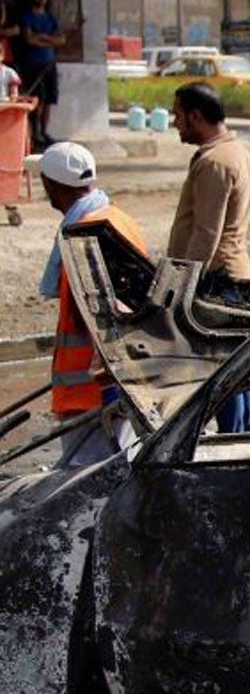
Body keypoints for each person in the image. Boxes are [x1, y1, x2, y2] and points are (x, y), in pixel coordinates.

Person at [37, 143, 148, 467]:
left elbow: (102, 314)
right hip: (121, 382)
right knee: (124, 471)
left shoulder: (85, 235)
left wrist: (108, 388)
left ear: (51, 186)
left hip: (91, 392)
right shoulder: (117, 218)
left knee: (88, 486)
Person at [168, 83, 250, 433]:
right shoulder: (235, 151)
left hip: (217, 278)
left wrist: (183, 285)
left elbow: (207, 232)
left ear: (196, 116)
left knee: (221, 364)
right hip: (232, 273)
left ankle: (233, 440)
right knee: (239, 360)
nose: (175, 123)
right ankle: (243, 433)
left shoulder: (216, 162)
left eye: (178, 115)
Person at [16, 0, 62, 151]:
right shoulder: (27, 17)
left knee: (49, 99)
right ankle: (35, 133)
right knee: (38, 100)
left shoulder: (50, 18)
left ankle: (44, 132)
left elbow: (60, 39)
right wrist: (49, 40)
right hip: (33, 64)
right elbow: (29, 39)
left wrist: (41, 37)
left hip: (49, 64)